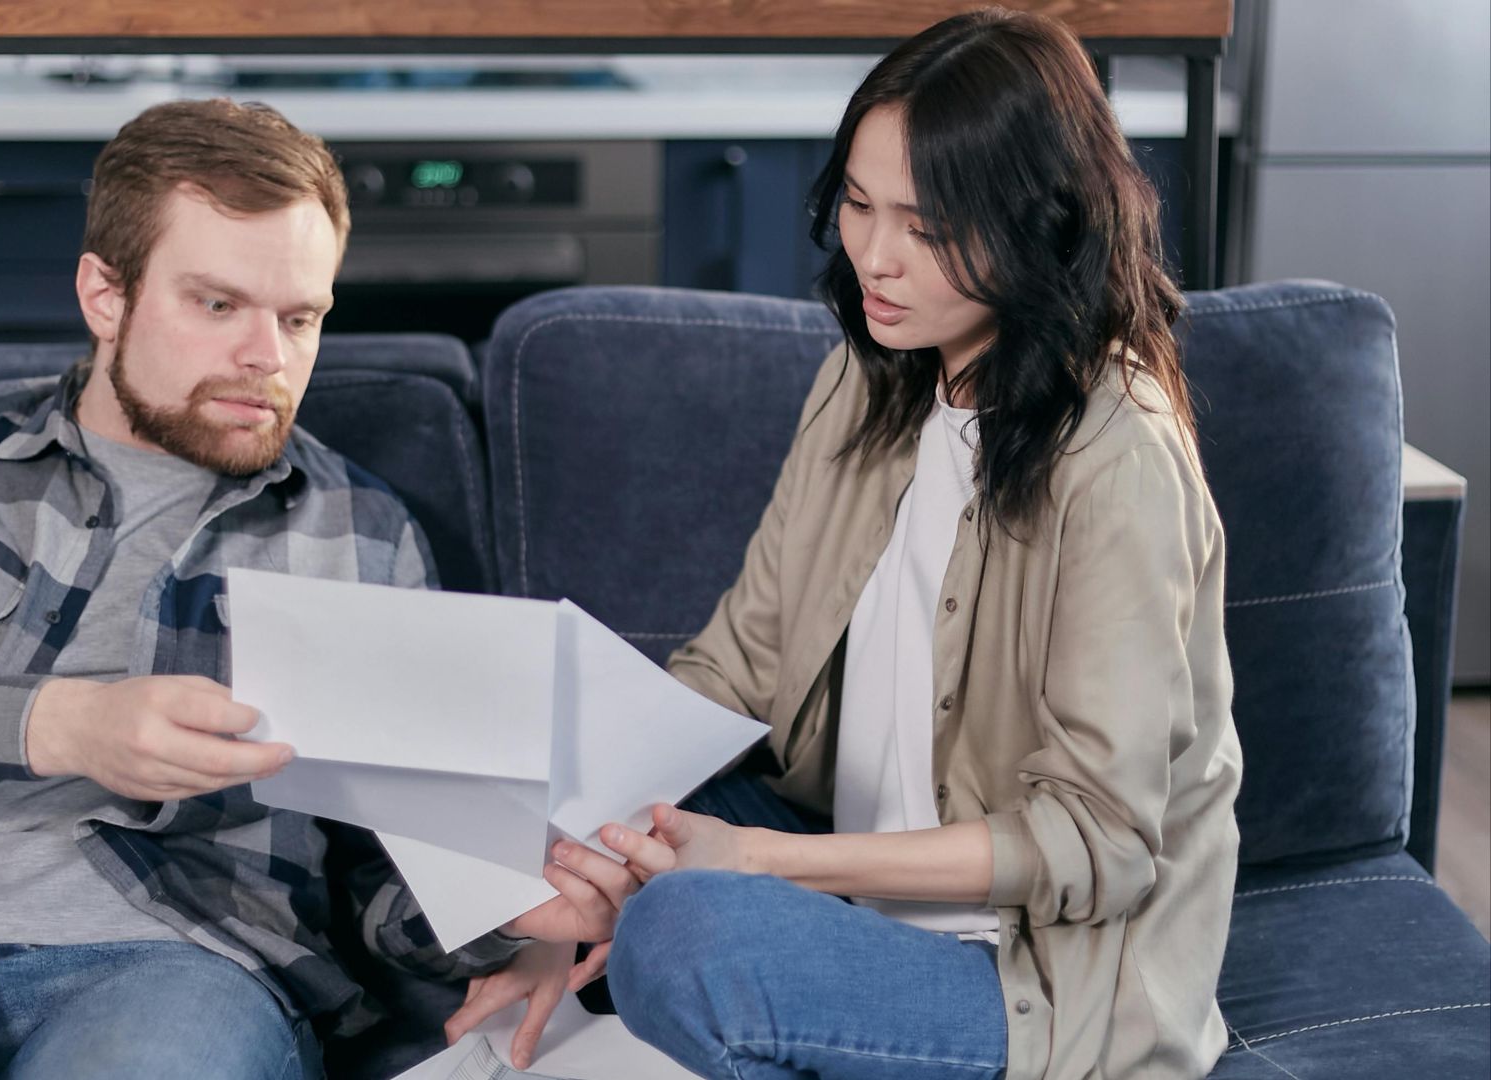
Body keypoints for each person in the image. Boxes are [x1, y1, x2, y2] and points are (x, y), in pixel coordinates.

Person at [0, 98, 614, 1080]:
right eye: (217, 305)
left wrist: (502, 914)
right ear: (106, 295)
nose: (267, 358)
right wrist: (69, 726)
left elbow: (380, 869)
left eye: (300, 317)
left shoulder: (360, 529)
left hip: (178, 969)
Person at [447, 9, 1243, 1079]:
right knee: (586, 792)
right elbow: (734, 669)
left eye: (927, 226)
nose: (873, 256)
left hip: (1025, 971)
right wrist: (582, 885)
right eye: (861, 205)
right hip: (848, 890)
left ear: (1037, 223)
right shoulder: (865, 381)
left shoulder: (1118, 460)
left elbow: (1097, 841)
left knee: (682, 937)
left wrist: (758, 862)